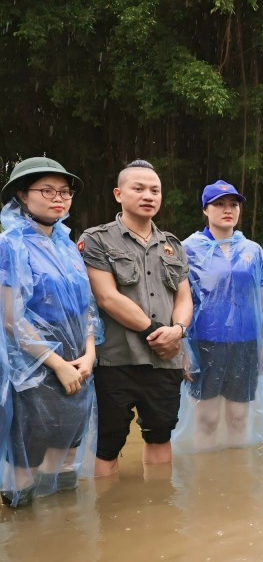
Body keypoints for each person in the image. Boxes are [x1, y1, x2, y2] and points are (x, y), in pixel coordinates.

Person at [0, 157, 102, 507]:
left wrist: (89, 354)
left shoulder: (67, 246)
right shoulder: (11, 245)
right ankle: (29, 544)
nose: (59, 198)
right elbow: (12, 319)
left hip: (79, 367)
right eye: (47, 190)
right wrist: (56, 363)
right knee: (26, 459)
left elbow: (87, 308)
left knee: (67, 456)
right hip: (36, 373)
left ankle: (65, 540)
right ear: (22, 196)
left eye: (65, 191)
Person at [82, 160, 192, 476]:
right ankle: (110, 515)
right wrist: (160, 333)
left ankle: (158, 511)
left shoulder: (172, 245)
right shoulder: (98, 239)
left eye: (155, 190)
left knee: (160, 435)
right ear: (119, 193)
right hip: (116, 361)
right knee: (108, 443)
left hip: (165, 362)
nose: (148, 195)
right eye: (139, 188)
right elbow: (106, 297)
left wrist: (180, 330)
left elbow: (184, 297)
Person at [173, 181, 263, 452]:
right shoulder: (188, 249)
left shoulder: (252, 250)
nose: (227, 210)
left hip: (245, 343)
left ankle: (235, 481)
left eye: (233, 204)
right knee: (207, 417)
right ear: (205, 209)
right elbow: (179, 300)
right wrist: (183, 350)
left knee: (239, 416)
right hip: (205, 343)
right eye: (219, 204)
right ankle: (206, 480)